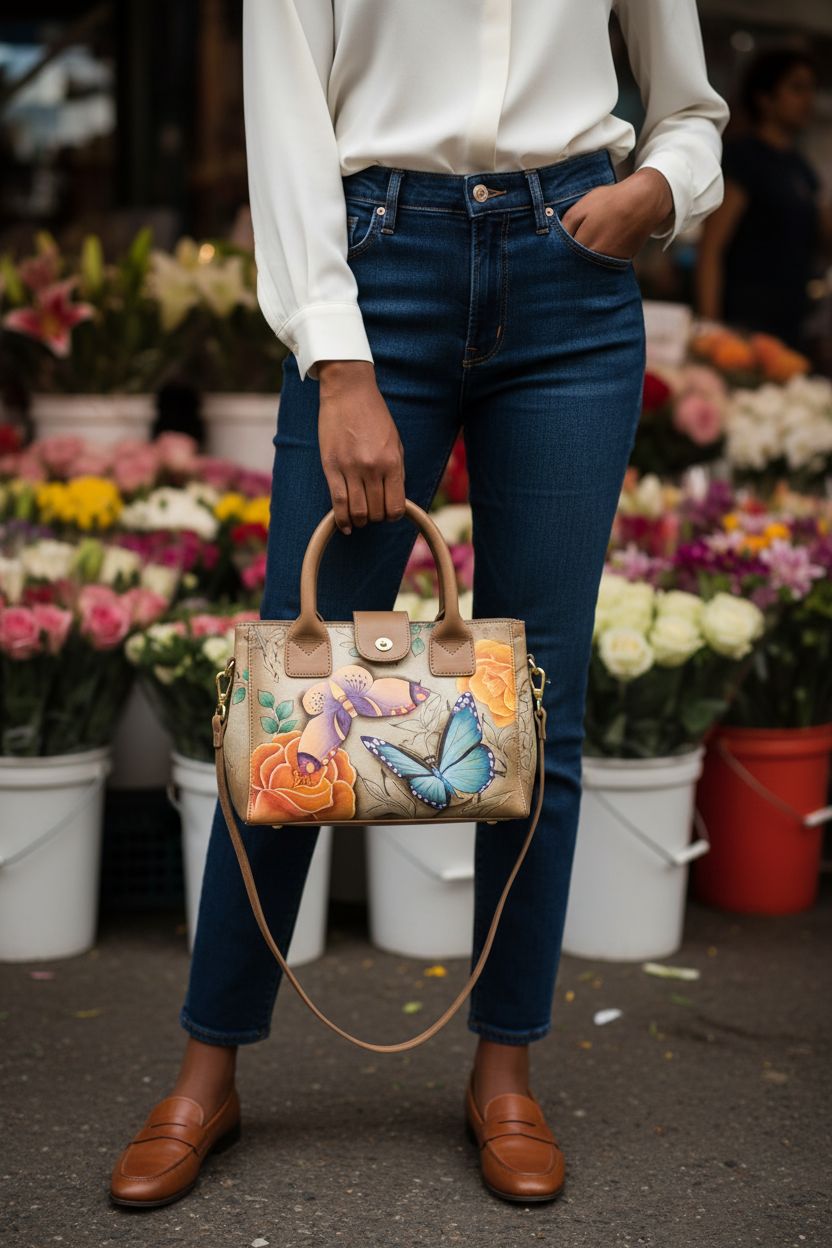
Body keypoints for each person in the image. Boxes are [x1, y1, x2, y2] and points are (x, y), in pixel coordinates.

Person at [110, 0, 729, 1209]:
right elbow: (286, 124)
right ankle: (207, 1065)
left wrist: (656, 191)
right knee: (293, 702)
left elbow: (690, 110)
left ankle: (504, 1070)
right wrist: (339, 364)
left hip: (572, 279)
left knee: (538, 700)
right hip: (375, 270)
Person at [696, 47, 831, 353]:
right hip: (744, 324)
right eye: (797, 88)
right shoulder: (745, 159)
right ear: (765, 98)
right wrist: (711, 330)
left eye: (812, 89)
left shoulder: (802, 168)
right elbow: (711, 248)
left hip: (791, 326)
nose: (808, 99)